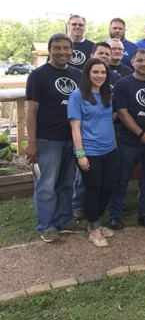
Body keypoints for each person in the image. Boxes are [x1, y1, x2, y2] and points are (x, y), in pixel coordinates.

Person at [25, 33, 84, 243]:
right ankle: (46, 225)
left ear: (72, 50)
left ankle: (64, 220)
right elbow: (31, 111)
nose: (62, 52)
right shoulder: (38, 75)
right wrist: (31, 142)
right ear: (50, 50)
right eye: (57, 48)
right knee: (46, 185)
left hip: (72, 139)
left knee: (67, 184)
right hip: (47, 139)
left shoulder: (78, 74)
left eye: (66, 48)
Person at [108, 49, 145, 230]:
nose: (144, 64)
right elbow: (123, 113)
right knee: (122, 179)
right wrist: (142, 134)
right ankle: (115, 215)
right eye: (139, 60)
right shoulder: (123, 84)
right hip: (129, 141)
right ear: (132, 62)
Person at [68, 58, 117, 247]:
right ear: (88, 74)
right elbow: (75, 128)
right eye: (95, 72)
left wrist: (115, 147)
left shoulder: (107, 94)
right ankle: (95, 228)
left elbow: (109, 123)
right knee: (92, 189)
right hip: (89, 151)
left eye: (103, 72)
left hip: (109, 149)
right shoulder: (77, 96)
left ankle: (94, 220)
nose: (99, 76)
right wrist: (80, 154)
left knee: (108, 187)